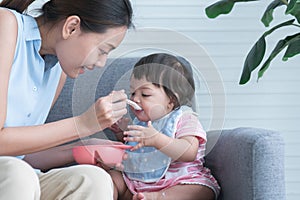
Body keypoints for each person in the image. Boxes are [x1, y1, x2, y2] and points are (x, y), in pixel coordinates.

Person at [0, 0, 133, 199]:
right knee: (19, 174)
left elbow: (22, 154)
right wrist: (84, 124)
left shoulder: (59, 70)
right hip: (14, 177)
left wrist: (79, 149)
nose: (101, 62)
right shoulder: (6, 25)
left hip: (16, 177)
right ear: (71, 27)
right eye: (103, 50)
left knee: (93, 181)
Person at [108, 53, 220, 200]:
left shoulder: (185, 118)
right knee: (112, 177)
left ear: (171, 100)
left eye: (145, 94)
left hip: (178, 181)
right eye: (133, 93)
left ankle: (157, 197)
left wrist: (157, 139)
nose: (135, 99)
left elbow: (189, 151)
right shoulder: (139, 122)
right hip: (138, 183)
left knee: (201, 190)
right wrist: (120, 133)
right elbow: (133, 150)